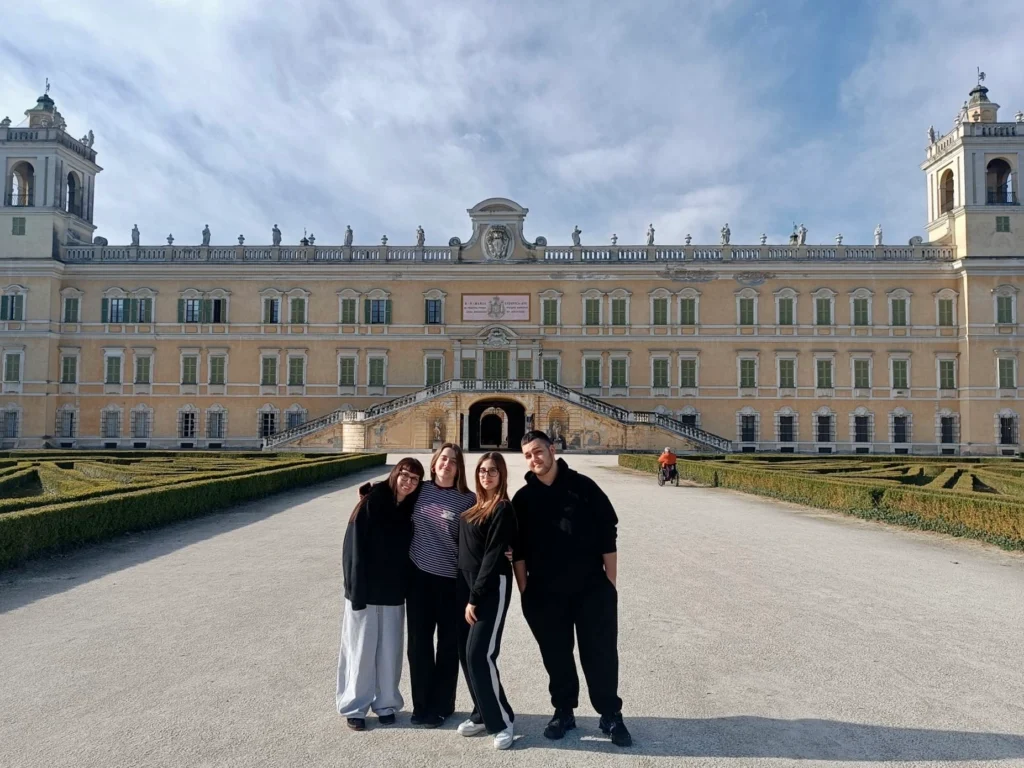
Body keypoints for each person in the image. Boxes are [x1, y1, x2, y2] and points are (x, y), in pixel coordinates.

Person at [512, 430, 632, 747]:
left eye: (538, 451)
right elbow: (518, 549)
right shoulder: (523, 499)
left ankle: (610, 714)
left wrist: (610, 583)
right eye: (527, 455)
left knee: (601, 653)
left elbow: (608, 531)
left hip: (592, 588)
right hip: (545, 592)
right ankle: (564, 710)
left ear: (552, 450)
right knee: (556, 655)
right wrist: (526, 590)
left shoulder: (583, 487)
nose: (534, 459)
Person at [336, 458, 424, 731]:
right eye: (405, 475)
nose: (408, 482)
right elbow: (353, 548)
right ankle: (355, 706)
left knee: (390, 651)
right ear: (395, 474)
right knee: (360, 650)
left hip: (394, 591)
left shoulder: (410, 507)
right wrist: (354, 589)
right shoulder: (371, 501)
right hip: (365, 589)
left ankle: (386, 703)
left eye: (414, 479)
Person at [407, 443, 476, 728]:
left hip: (452, 583)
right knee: (418, 646)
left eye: (453, 461)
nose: (447, 464)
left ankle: (442, 706)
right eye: (443, 459)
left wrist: (508, 548)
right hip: (419, 579)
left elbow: (484, 531)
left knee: (448, 647)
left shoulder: (468, 500)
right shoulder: (418, 490)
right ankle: (421, 704)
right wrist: (366, 495)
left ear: (459, 468)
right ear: (434, 463)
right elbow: (390, 497)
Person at [456, 453, 517, 750]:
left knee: (481, 655)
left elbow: (493, 556)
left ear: (502, 474)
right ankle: (482, 712)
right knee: (467, 655)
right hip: (468, 587)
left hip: (490, 587)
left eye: (493, 471)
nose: (486, 475)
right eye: (482, 470)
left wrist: (475, 597)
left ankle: (502, 721)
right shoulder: (475, 505)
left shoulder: (503, 508)